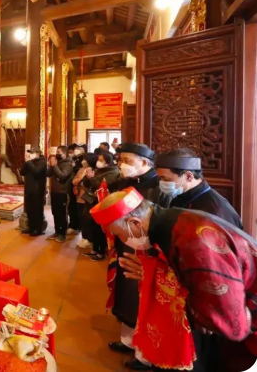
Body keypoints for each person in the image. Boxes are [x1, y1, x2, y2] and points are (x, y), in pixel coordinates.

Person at [91, 188, 257, 372]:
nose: (122, 240)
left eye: (120, 235)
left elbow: (225, 314)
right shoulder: (170, 223)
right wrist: (152, 275)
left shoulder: (194, 241)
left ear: (135, 223)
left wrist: (161, 283)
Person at [109, 142, 161, 371]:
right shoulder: (127, 182)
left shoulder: (158, 185)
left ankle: (145, 355)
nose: (123, 165)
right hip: (126, 243)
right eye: (121, 160)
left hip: (146, 248)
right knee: (127, 292)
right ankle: (128, 341)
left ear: (145, 163)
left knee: (144, 297)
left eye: (128, 161)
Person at [155, 148, 243, 230]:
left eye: (166, 179)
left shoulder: (215, 210)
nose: (162, 183)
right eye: (160, 179)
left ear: (189, 176)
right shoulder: (180, 197)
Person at [81, 151, 120, 261]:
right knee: (92, 226)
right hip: (92, 201)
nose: (98, 162)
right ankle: (94, 249)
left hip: (102, 202)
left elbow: (101, 186)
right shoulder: (99, 170)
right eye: (99, 159)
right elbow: (87, 184)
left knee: (100, 228)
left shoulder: (112, 172)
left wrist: (92, 178)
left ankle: (100, 252)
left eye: (101, 160)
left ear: (108, 162)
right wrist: (87, 177)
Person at [46, 146, 73, 243]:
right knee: (55, 212)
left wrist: (55, 166)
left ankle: (62, 234)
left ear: (64, 153)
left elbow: (62, 176)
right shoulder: (57, 162)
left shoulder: (68, 164)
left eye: (59, 152)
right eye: (56, 151)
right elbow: (48, 174)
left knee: (62, 214)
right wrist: (50, 165)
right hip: (54, 191)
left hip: (62, 192)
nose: (57, 153)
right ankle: (57, 231)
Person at [20, 147, 48, 236]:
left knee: (37, 210)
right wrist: (26, 162)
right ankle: (31, 227)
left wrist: (29, 162)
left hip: (37, 190)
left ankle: (37, 229)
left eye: (32, 153)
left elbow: (36, 171)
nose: (30, 154)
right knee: (29, 210)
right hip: (29, 189)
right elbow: (22, 172)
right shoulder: (29, 162)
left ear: (38, 154)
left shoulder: (42, 162)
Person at [73, 152, 95, 249]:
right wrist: (76, 181)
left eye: (85, 159)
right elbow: (75, 179)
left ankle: (89, 239)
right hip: (79, 197)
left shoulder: (92, 170)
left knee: (87, 219)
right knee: (81, 217)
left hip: (87, 198)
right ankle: (84, 237)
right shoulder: (81, 169)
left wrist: (82, 180)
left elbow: (88, 184)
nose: (83, 161)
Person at [66, 144, 83, 236]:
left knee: (79, 208)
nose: (74, 152)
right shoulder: (71, 159)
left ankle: (79, 226)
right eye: (71, 151)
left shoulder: (84, 161)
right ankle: (72, 224)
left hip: (80, 189)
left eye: (76, 150)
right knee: (71, 206)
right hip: (72, 186)